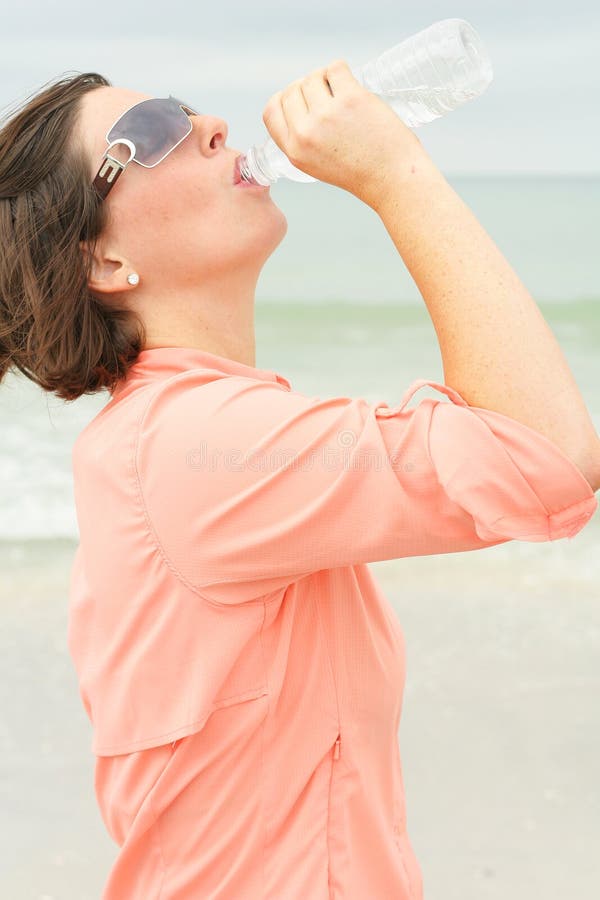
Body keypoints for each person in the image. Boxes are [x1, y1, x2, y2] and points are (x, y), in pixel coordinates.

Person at [0, 62, 598, 900]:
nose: (209, 123)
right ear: (103, 258)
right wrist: (398, 176)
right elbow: (546, 457)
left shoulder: (181, 436)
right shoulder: (192, 445)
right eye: (155, 134)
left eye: (184, 107)